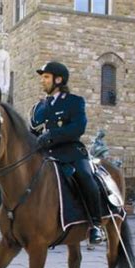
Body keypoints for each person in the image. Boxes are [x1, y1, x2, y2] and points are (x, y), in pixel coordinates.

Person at [31, 61, 104, 244]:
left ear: (58, 79)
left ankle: (95, 224)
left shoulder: (74, 101)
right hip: (44, 154)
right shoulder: (38, 107)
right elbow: (32, 132)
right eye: (42, 77)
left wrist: (51, 135)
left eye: (46, 77)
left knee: (86, 177)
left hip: (70, 152)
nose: (43, 81)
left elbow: (78, 127)